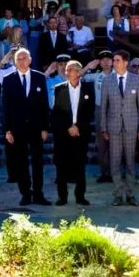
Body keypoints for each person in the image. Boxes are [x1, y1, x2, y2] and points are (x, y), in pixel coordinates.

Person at [1, 48, 51, 206]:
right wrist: (7, 129)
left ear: (30, 60)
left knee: (38, 162)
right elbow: (5, 105)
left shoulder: (39, 77)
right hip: (17, 127)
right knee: (20, 162)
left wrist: (44, 127)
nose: (21, 61)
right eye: (18, 59)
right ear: (14, 62)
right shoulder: (9, 79)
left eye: (24, 58)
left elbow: (44, 103)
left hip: (36, 126)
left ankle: (38, 193)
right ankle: (25, 193)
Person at [101, 50, 139, 206]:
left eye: (117, 60)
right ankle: (118, 194)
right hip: (113, 127)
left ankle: (131, 193)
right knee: (114, 161)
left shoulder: (136, 79)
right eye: (114, 60)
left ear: (126, 62)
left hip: (131, 126)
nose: (114, 62)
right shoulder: (107, 80)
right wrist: (103, 128)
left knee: (130, 161)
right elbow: (103, 107)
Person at [51, 60, 95, 206]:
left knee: (80, 165)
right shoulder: (59, 89)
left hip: (80, 133)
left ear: (78, 72)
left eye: (70, 69)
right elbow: (57, 113)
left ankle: (80, 196)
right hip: (63, 134)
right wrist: (68, 127)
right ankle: (62, 196)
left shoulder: (88, 88)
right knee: (61, 165)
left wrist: (78, 127)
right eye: (66, 69)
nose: (66, 72)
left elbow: (89, 111)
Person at [83, 51, 115, 184]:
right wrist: (88, 67)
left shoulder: (118, 76)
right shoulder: (96, 76)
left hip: (115, 110)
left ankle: (115, 172)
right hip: (100, 109)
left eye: (108, 59)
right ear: (99, 63)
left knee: (115, 143)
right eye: (103, 60)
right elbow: (79, 76)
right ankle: (104, 172)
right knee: (101, 143)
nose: (106, 61)